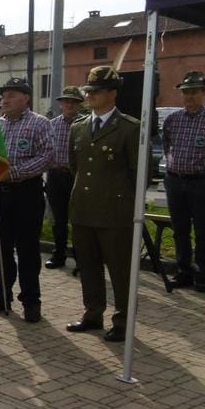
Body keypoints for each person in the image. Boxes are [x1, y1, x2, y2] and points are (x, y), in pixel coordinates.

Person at [65, 67, 140, 342]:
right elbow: (76, 168)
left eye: (96, 91)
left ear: (112, 94)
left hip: (115, 213)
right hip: (84, 209)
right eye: (89, 91)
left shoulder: (130, 128)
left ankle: (122, 320)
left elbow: (138, 174)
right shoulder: (78, 127)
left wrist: (124, 203)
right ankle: (93, 313)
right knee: (88, 265)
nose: (90, 96)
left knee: (120, 270)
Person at [0, 77, 54, 323]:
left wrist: (12, 172)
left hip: (26, 193)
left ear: (26, 98)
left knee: (27, 249)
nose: (5, 100)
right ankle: (2, 296)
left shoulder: (40, 123)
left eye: (11, 95)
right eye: (3, 95)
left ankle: (31, 301)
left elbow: (47, 156)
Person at [162, 70, 205, 293]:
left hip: (202, 183)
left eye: (194, 92)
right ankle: (183, 271)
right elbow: (167, 146)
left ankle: (202, 274)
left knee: (203, 231)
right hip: (175, 181)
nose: (189, 97)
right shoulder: (172, 119)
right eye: (186, 92)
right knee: (180, 230)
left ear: (204, 92)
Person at [45, 86, 84, 269]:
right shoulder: (51, 125)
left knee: (78, 218)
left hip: (76, 176)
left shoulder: (86, 125)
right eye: (66, 101)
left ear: (79, 105)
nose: (69, 105)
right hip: (54, 175)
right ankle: (58, 254)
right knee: (58, 219)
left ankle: (80, 257)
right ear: (60, 104)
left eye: (73, 102)